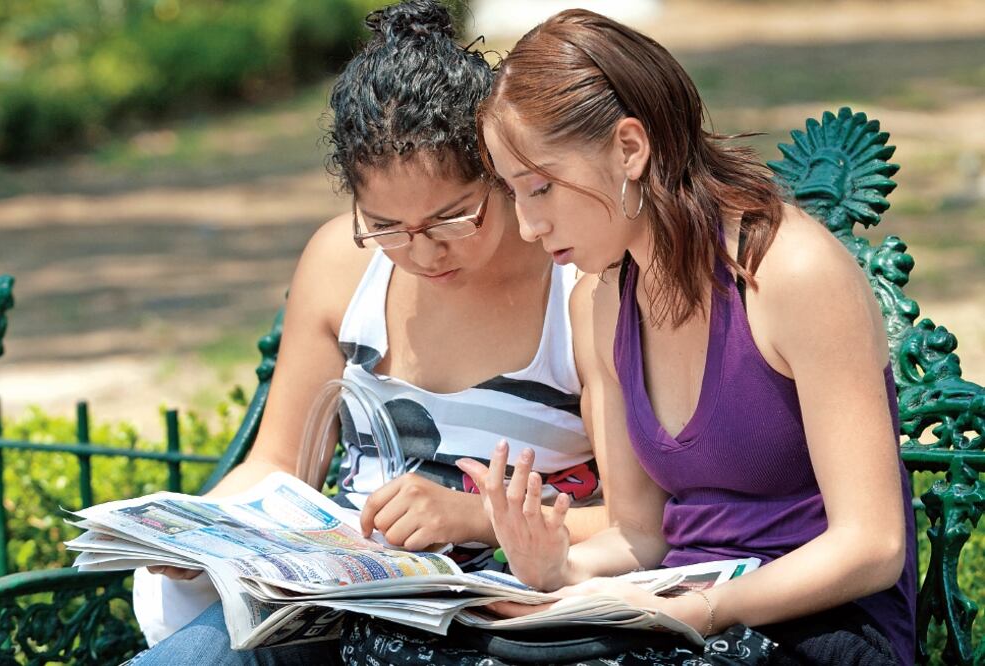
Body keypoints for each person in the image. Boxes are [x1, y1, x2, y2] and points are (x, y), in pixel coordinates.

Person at [126, 2, 607, 663]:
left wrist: (477, 517)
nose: (422, 252)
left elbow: (645, 522)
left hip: (501, 618)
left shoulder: (574, 288)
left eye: (451, 219)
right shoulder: (340, 264)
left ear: (499, 172)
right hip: (329, 604)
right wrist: (199, 533)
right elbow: (278, 467)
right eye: (384, 224)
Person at [460, 8, 917, 665]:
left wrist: (703, 611)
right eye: (513, 194)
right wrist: (558, 566)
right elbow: (641, 537)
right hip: (681, 616)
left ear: (629, 149)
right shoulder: (605, 299)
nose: (528, 226)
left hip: (823, 624)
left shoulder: (789, 271)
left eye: (540, 188)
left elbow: (873, 546)